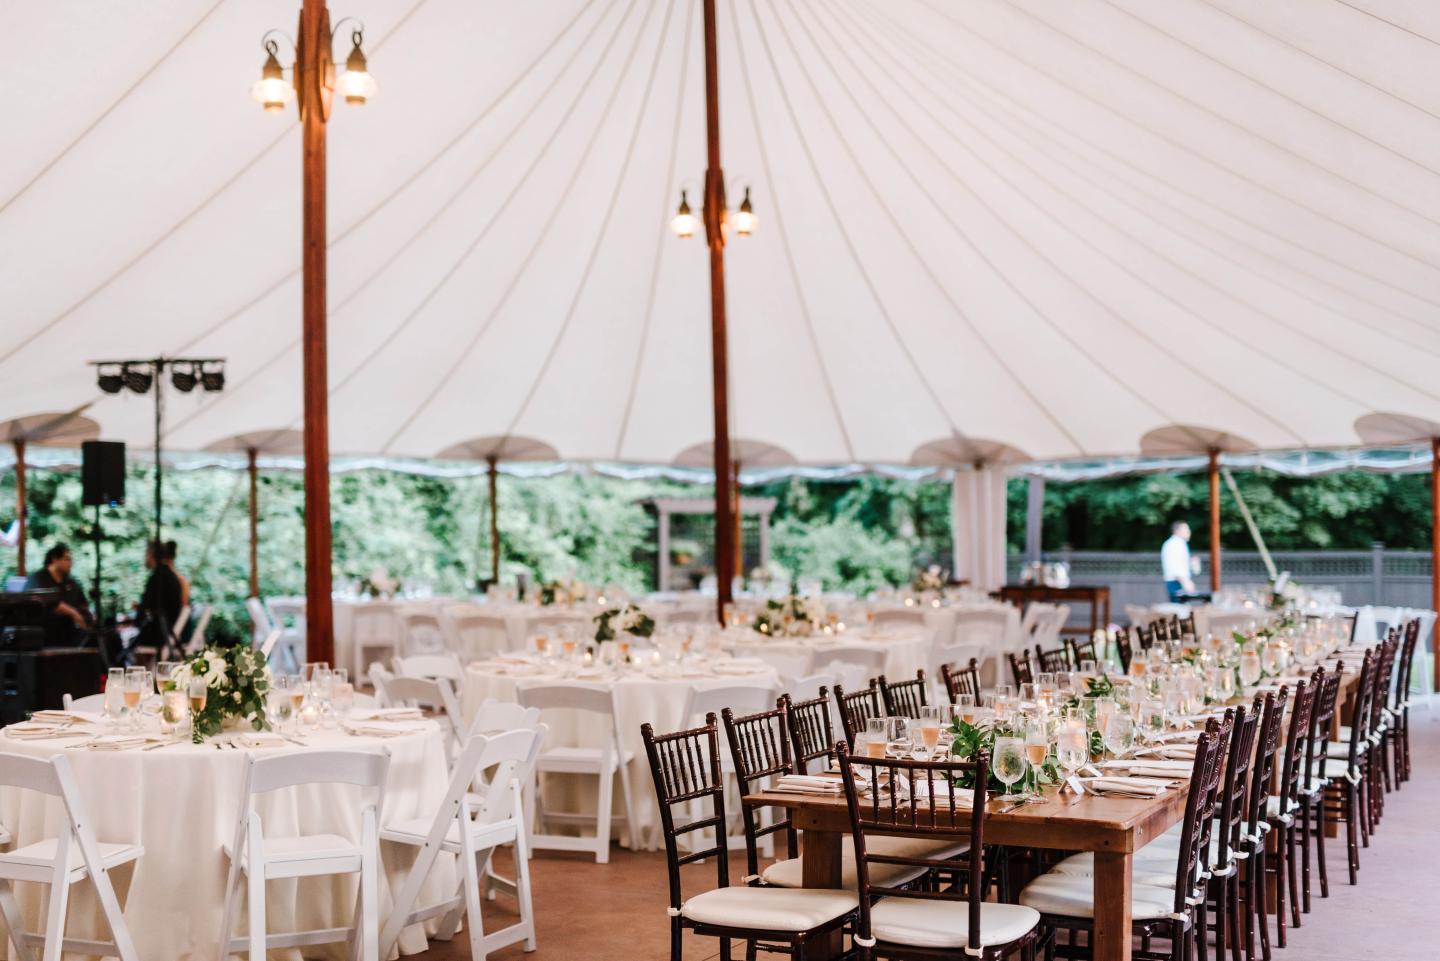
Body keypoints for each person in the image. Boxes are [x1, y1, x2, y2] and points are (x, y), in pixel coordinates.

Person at [24, 542, 93, 643]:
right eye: (67, 559)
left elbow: (83, 605)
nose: (70, 563)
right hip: (44, 634)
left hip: (70, 633)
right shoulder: (38, 578)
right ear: (55, 559)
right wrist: (74, 613)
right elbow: (49, 603)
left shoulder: (72, 583)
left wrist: (88, 618)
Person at [136, 540, 183, 651]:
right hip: (168, 631)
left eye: (146, 553)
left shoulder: (157, 577)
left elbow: (144, 611)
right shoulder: (171, 576)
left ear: (151, 554)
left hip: (158, 635)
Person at [1161, 521, 1197, 602]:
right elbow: (1175, 566)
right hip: (1177, 581)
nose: (1189, 532)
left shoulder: (1176, 543)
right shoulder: (1175, 544)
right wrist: (1186, 582)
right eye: (1186, 529)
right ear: (1177, 530)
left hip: (1177, 581)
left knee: (1180, 610)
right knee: (1179, 610)